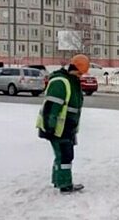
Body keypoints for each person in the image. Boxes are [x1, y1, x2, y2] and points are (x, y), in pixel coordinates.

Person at [36, 54, 89, 194]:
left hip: (66, 127)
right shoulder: (61, 82)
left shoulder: (71, 81)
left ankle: (58, 181)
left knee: (62, 155)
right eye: (80, 73)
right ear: (74, 69)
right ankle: (65, 184)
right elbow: (51, 107)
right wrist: (50, 127)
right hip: (58, 127)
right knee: (65, 155)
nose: (81, 76)